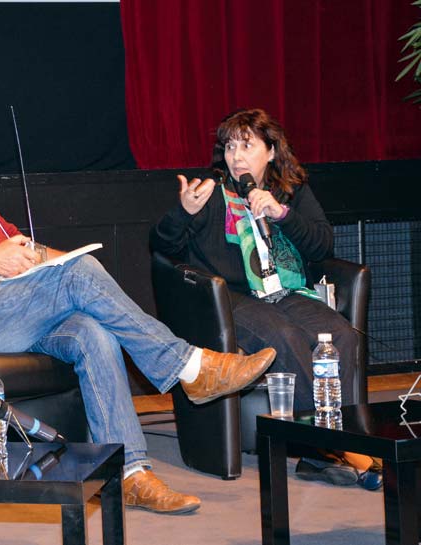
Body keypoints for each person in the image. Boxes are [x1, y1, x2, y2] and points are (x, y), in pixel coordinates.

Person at [0, 93, 277, 515]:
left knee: (92, 330)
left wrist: (67, 259)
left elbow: (23, 247)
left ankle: (131, 472)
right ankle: (190, 367)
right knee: (78, 277)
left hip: (19, 305)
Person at [150, 108, 379, 489]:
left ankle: (315, 453)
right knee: (285, 337)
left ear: (271, 151)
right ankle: (345, 448)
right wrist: (183, 212)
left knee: (342, 336)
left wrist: (282, 213)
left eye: (246, 145)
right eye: (228, 147)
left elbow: (322, 244)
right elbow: (162, 246)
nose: (235, 156)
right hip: (232, 299)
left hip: (286, 291)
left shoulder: (290, 191)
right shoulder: (209, 194)